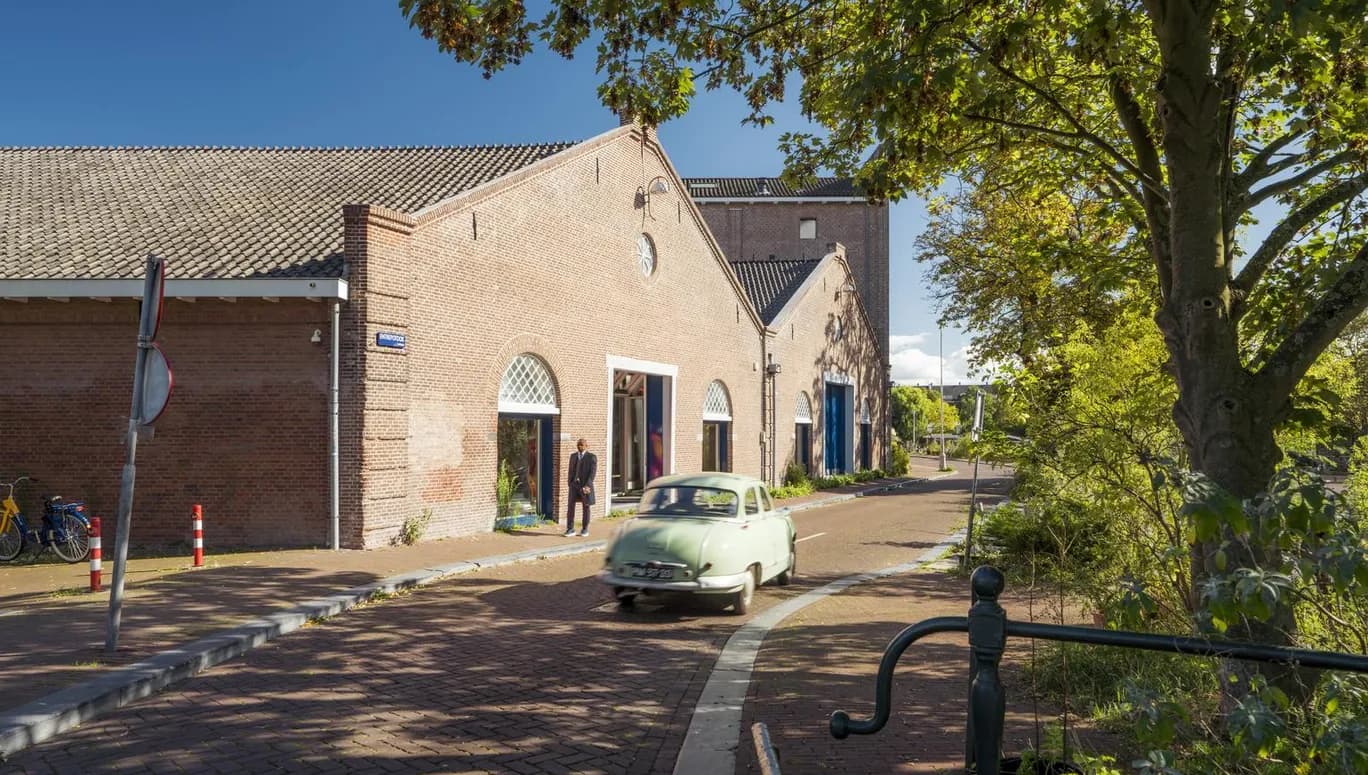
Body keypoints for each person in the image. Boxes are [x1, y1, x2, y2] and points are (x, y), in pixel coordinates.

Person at [565, 438, 597, 536]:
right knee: (570, 506)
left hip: (585, 486)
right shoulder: (573, 456)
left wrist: (587, 485)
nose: (579, 447)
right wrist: (570, 483)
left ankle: (585, 529)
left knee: (586, 506)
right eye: (578, 445)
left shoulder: (591, 457)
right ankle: (570, 529)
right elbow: (571, 470)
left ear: (586, 446)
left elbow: (592, 473)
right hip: (574, 485)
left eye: (582, 445)